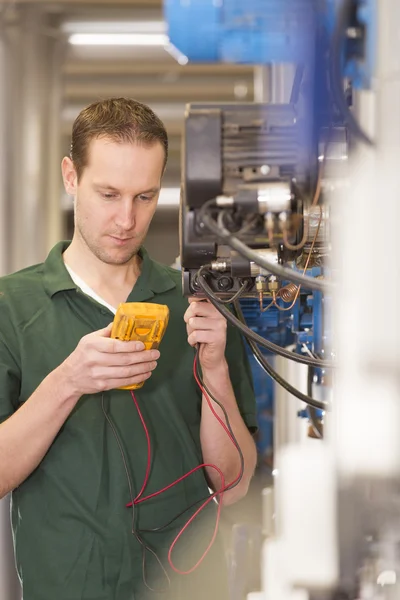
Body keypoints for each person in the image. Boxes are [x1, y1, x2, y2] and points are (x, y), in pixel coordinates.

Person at [0, 98, 257, 600]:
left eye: (145, 196)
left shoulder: (201, 305)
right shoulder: (11, 307)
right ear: (70, 176)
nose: (126, 219)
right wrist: (67, 381)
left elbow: (233, 484)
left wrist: (214, 370)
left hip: (188, 589)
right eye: (109, 194)